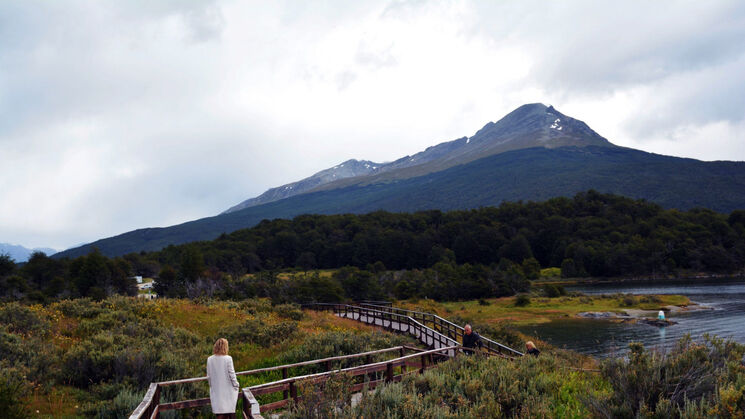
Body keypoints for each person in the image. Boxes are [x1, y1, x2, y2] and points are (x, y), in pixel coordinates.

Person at [207, 338, 240, 419]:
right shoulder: (228, 359)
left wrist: (212, 386)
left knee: (219, 413)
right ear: (225, 347)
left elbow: (209, 376)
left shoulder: (210, 359)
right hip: (228, 391)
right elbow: (232, 375)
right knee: (230, 412)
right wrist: (236, 385)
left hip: (216, 390)